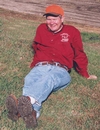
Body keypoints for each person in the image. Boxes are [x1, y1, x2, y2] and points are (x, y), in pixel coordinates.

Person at [6, 4, 97, 129]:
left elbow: (79, 54)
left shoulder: (72, 32)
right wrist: (35, 63)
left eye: (55, 19)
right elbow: (36, 46)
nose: (51, 22)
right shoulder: (41, 29)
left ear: (62, 19)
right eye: (48, 18)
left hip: (61, 70)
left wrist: (85, 74)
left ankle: (22, 105)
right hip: (40, 66)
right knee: (29, 79)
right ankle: (33, 113)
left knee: (48, 78)